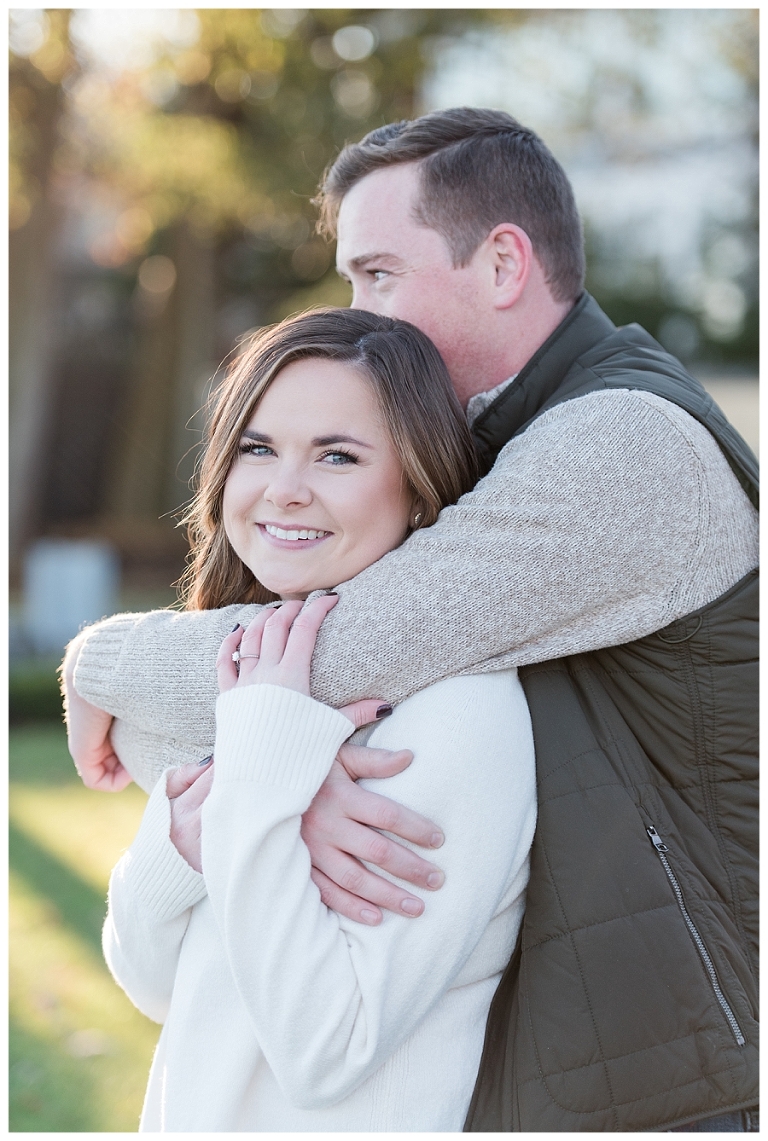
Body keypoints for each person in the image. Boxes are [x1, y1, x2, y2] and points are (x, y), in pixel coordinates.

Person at [64, 107, 758, 1132]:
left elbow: (338, 656)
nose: (363, 313)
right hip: (593, 1034)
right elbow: (287, 700)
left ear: (504, 263)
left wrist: (100, 665)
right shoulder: (517, 433)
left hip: (680, 1061)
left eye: (378, 274)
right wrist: (269, 784)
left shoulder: (622, 445)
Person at [76, 307, 537, 1131]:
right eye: (258, 447)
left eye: (337, 455)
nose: (284, 487)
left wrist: (255, 774)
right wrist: (177, 845)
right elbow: (152, 984)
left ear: (422, 486)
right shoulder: (256, 673)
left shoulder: (461, 713)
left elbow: (328, 1048)